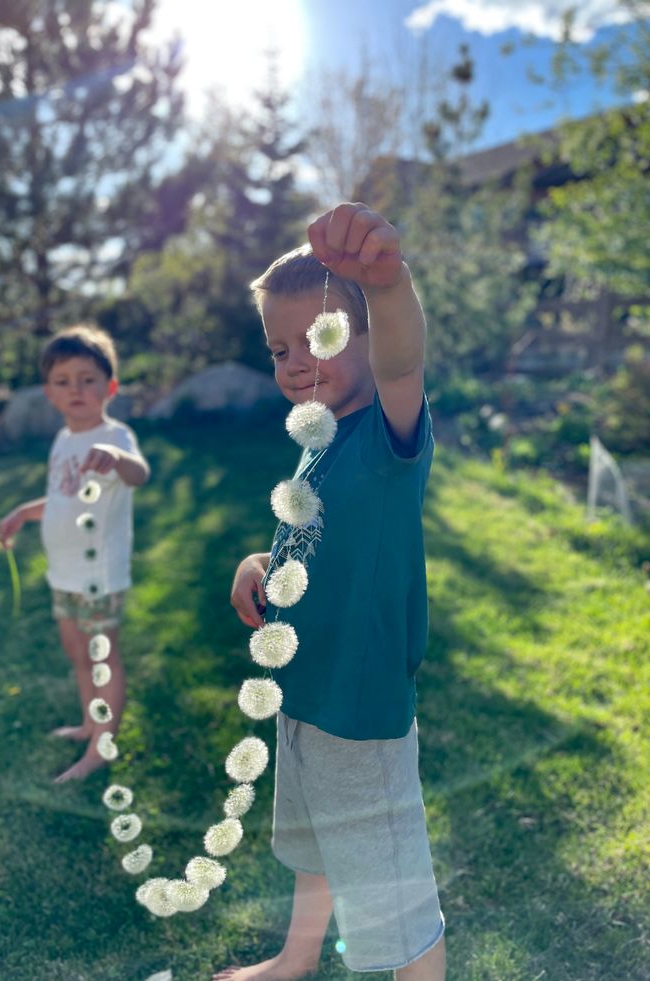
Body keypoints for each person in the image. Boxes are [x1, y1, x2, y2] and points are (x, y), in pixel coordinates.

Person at [217, 204, 445, 981]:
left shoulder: (386, 435)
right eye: (278, 348)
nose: (290, 362)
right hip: (305, 695)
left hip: (360, 710)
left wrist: (386, 286)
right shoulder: (316, 446)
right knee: (313, 842)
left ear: (367, 337)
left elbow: (403, 362)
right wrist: (259, 562)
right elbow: (307, 544)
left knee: (392, 895)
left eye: (315, 339)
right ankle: (296, 956)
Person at [0, 324, 149, 783]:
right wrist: (25, 512)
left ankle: (102, 748)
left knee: (104, 657)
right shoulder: (62, 440)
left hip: (98, 576)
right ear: (49, 393)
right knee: (78, 653)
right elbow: (63, 498)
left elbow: (139, 474)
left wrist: (115, 458)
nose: (76, 390)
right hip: (63, 575)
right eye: (63, 381)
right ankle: (90, 722)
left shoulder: (115, 435)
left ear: (110, 387)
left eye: (87, 379)